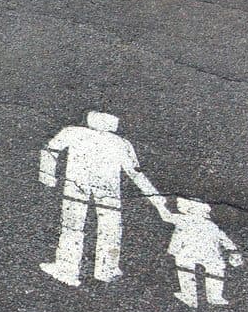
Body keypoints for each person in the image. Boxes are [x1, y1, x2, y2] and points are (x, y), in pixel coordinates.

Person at [38, 111, 161, 287]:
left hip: (77, 185)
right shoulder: (120, 143)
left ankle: (67, 269)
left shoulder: (73, 132)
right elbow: (135, 173)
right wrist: (155, 198)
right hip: (107, 190)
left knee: (73, 226)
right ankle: (107, 269)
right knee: (110, 227)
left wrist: (47, 174)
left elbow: (51, 149)